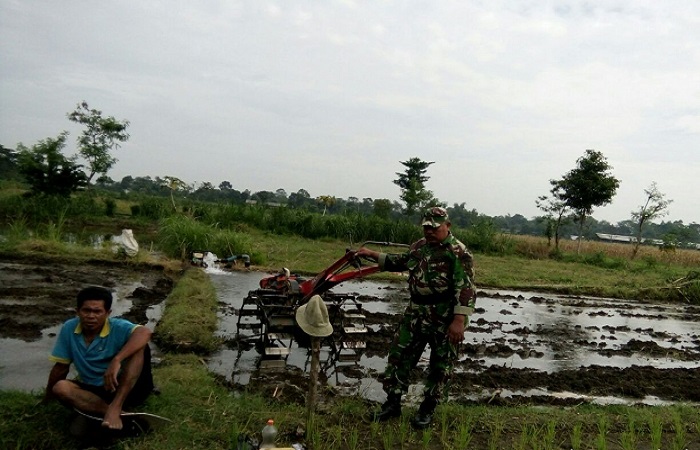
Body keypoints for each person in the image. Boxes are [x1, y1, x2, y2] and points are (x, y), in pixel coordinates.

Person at [357, 206, 477, 429]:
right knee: (399, 356)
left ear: (447, 226)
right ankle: (393, 403)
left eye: (434, 227)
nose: (429, 231)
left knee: (440, 365)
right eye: (426, 227)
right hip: (415, 313)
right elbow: (400, 261)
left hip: (444, 316)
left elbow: (467, 288)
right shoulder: (419, 247)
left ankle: (427, 409)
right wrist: (373, 255)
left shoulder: (457, 251)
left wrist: (459, 321)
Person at [43, 286, 154, 430]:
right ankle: (114, 413)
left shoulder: (117, 327)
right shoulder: (69, 328)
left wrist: (117, 360)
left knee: (140, 347)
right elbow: (60, 368)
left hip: (128, 389)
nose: (91, 316)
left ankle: (116, 407)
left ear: (108, 313)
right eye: (86, 310)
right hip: (96, 390)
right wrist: (47, 398)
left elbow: (144, 332)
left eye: (97, 311)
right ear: (78, 311)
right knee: (60, 388)